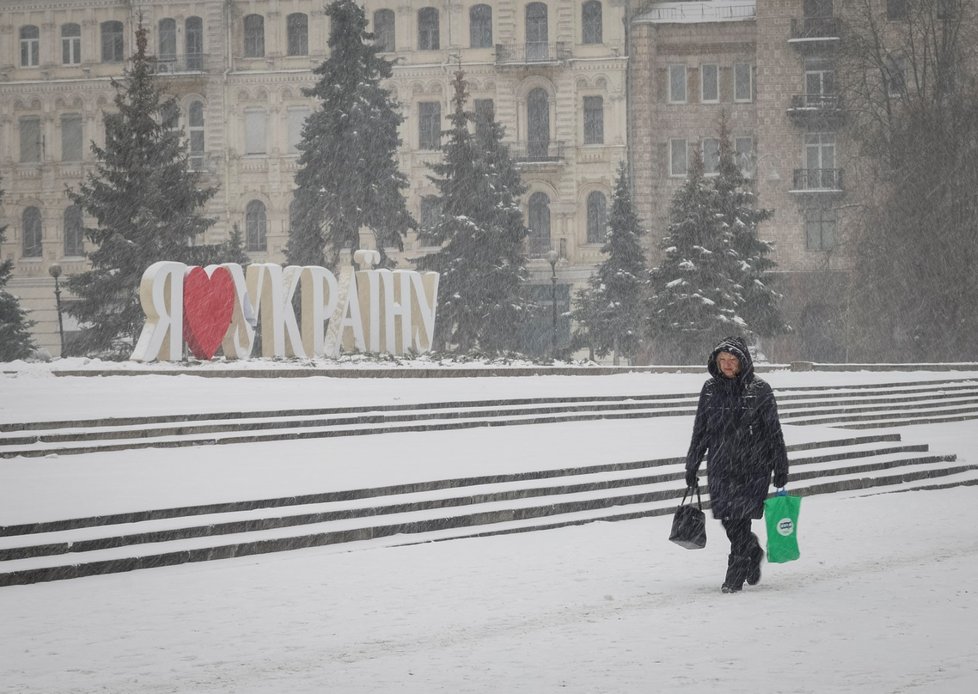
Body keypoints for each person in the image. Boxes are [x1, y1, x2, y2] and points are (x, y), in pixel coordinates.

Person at [684, 336, 789, 593]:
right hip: (720, 466)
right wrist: (692, 463)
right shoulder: (709, 389)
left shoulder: (760, 390)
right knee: (728, 520)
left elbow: (774, 431)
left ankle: (735, 574)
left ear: (743, 361)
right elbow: (701, 430)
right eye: (723, 361)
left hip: (754, 467)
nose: (728, 365)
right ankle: (751, 551)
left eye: (732, 360)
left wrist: (781, 466)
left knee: (741, 519)